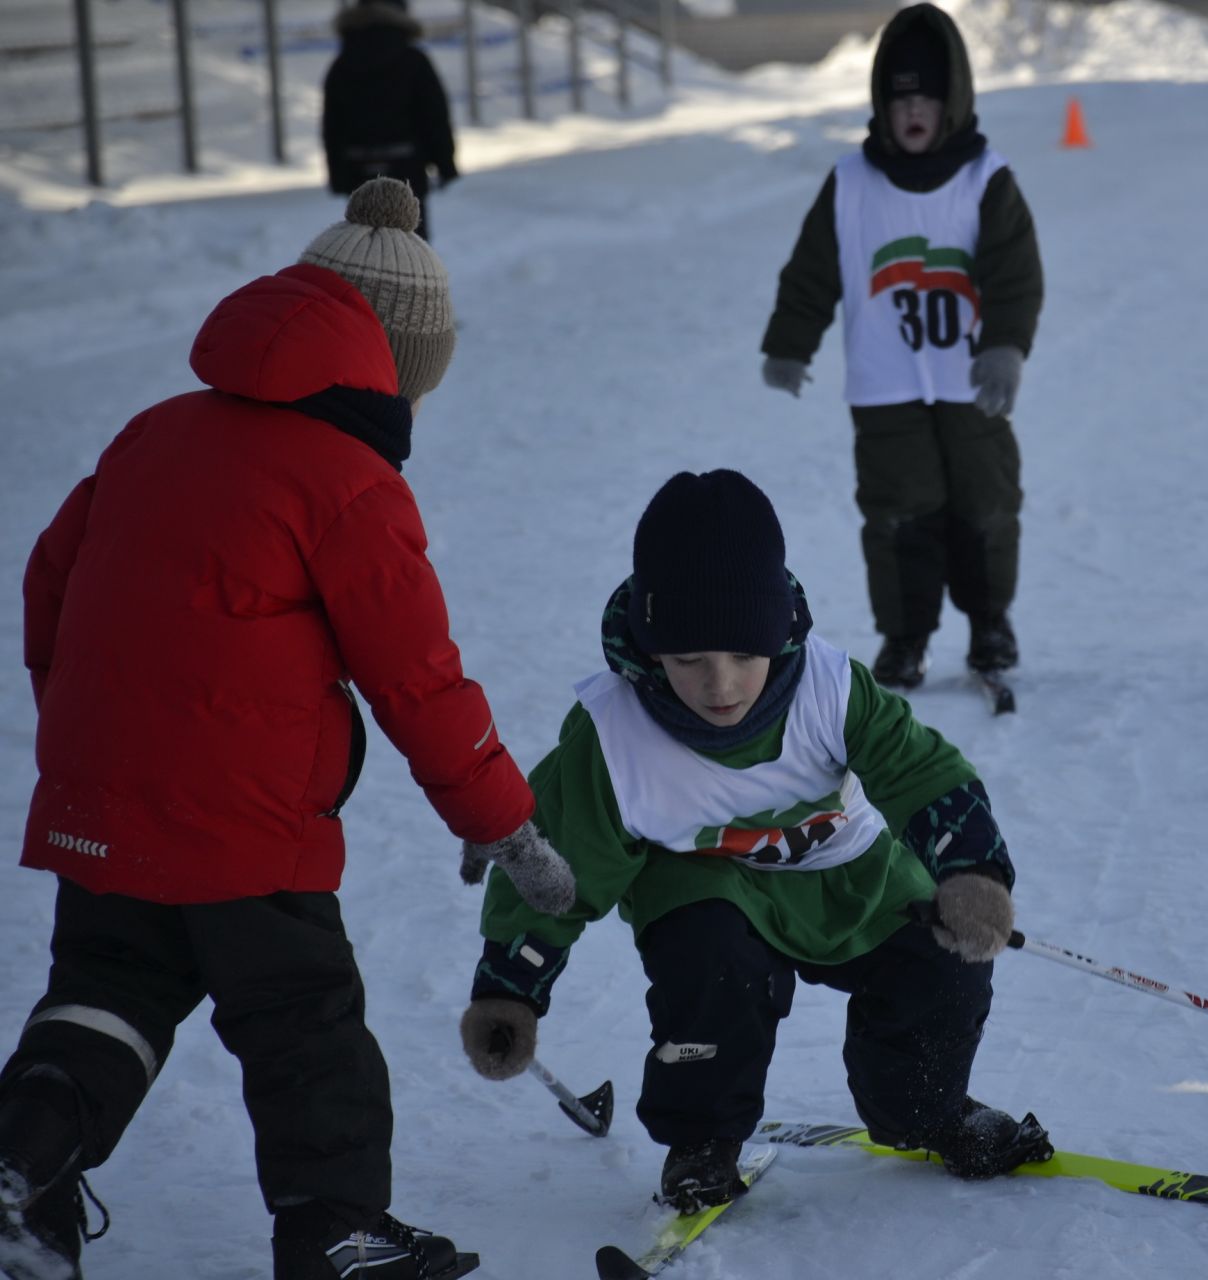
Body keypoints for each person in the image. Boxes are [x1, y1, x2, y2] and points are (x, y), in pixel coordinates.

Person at [0, 178, 575, 1280]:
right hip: (246, 823)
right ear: (400, 365)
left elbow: (47, 584)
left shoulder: (152, 432)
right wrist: (503, 818)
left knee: (108, 990)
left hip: (107, 799)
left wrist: (95, 741)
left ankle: (22, 1171)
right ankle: (335, 1228)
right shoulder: (348, 482)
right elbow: (418, 678)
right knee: (307, 1025)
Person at [458, 468, 1050, 1217]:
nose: (720, 684)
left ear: (779, 631)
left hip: (848, 873)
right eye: (688, 660)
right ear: (648, 645)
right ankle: (701, 1143)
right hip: (706, 886)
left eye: (743, 654)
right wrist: (510, 990)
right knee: (712, 970)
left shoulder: (830, 689)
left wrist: (972, 873)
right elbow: (558, 871)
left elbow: (923, 772)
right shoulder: (612, 738)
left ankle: (928, 1112)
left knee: (942, 966)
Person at [758, 3, 1043, 690]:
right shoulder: (852, 183)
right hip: (885, 384)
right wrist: (790, 344)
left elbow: (1015, 272)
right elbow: (811, 271)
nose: (914, 110)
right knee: (896, 513)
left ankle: (989, 623)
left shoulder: (986, 180)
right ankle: (905, 636)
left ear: (955, 102)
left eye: (928, 97)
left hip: (970, 382)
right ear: (881, 106)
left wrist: (1005, 347)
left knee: (987, 504)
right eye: (901, 97)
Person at [322, 0, 458, 242]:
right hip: (406, 167)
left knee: (363, 246)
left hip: (357, 169)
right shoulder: (414, 60)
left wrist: (337, 175)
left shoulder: (341, 65)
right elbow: (434, 115)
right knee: (412, 246)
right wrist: (445, 164)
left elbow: (332, 125)